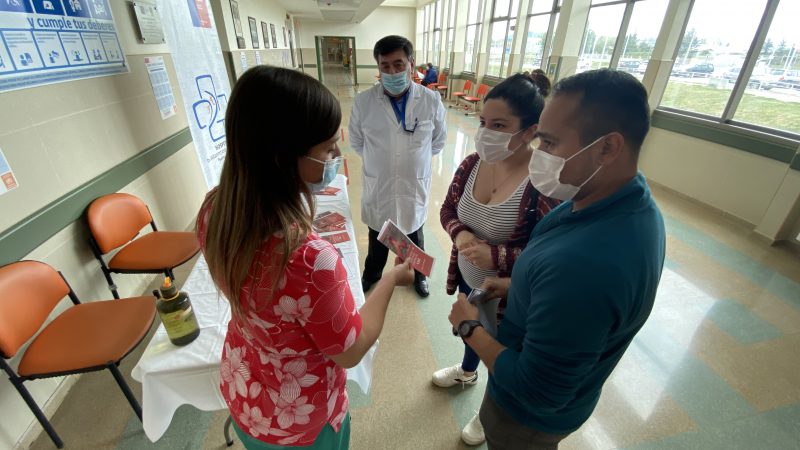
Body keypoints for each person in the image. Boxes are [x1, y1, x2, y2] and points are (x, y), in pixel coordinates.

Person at [196, 66, 414, 449]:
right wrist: (391, 280)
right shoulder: (310, 260)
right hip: (302, 423)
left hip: (245, 391)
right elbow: (351, 349)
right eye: (328, 147)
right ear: (283, 156)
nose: (336, 155)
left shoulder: (216, 211)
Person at [448, 69, 666, 449]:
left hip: (526, 419)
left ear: (607, 148)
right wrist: (518, 284)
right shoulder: (620, 201)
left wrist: (471, 330)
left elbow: (538, 392)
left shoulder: (587, 266)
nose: (538, 154)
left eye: (548, 142)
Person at [433, 71, 560, 445]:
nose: (486, 133)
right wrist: (462, 233)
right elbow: (447, 210)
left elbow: (548, 257)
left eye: (500, 125)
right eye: (484, 122)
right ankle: (466, 372)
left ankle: (489, 410)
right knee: (472, 331)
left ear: (529, 130)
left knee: (502, 351)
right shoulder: (471, 163)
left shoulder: (542, 183)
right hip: (473, 282)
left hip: (511, 295)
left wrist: (497, 255)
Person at [349, 35, 447, 298]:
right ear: (378, 68)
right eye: (385, 66)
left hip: (412, 185)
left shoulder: (430, 100)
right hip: (378, 185)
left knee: (414, 233)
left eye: (398, 64)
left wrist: (412, 161)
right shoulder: (364, 102)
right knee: (377, 237)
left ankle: (419, 277)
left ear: (411, 64)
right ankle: (371, 275)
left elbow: (437, 141)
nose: (392, 71)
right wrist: (382, 162)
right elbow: (357, 142)